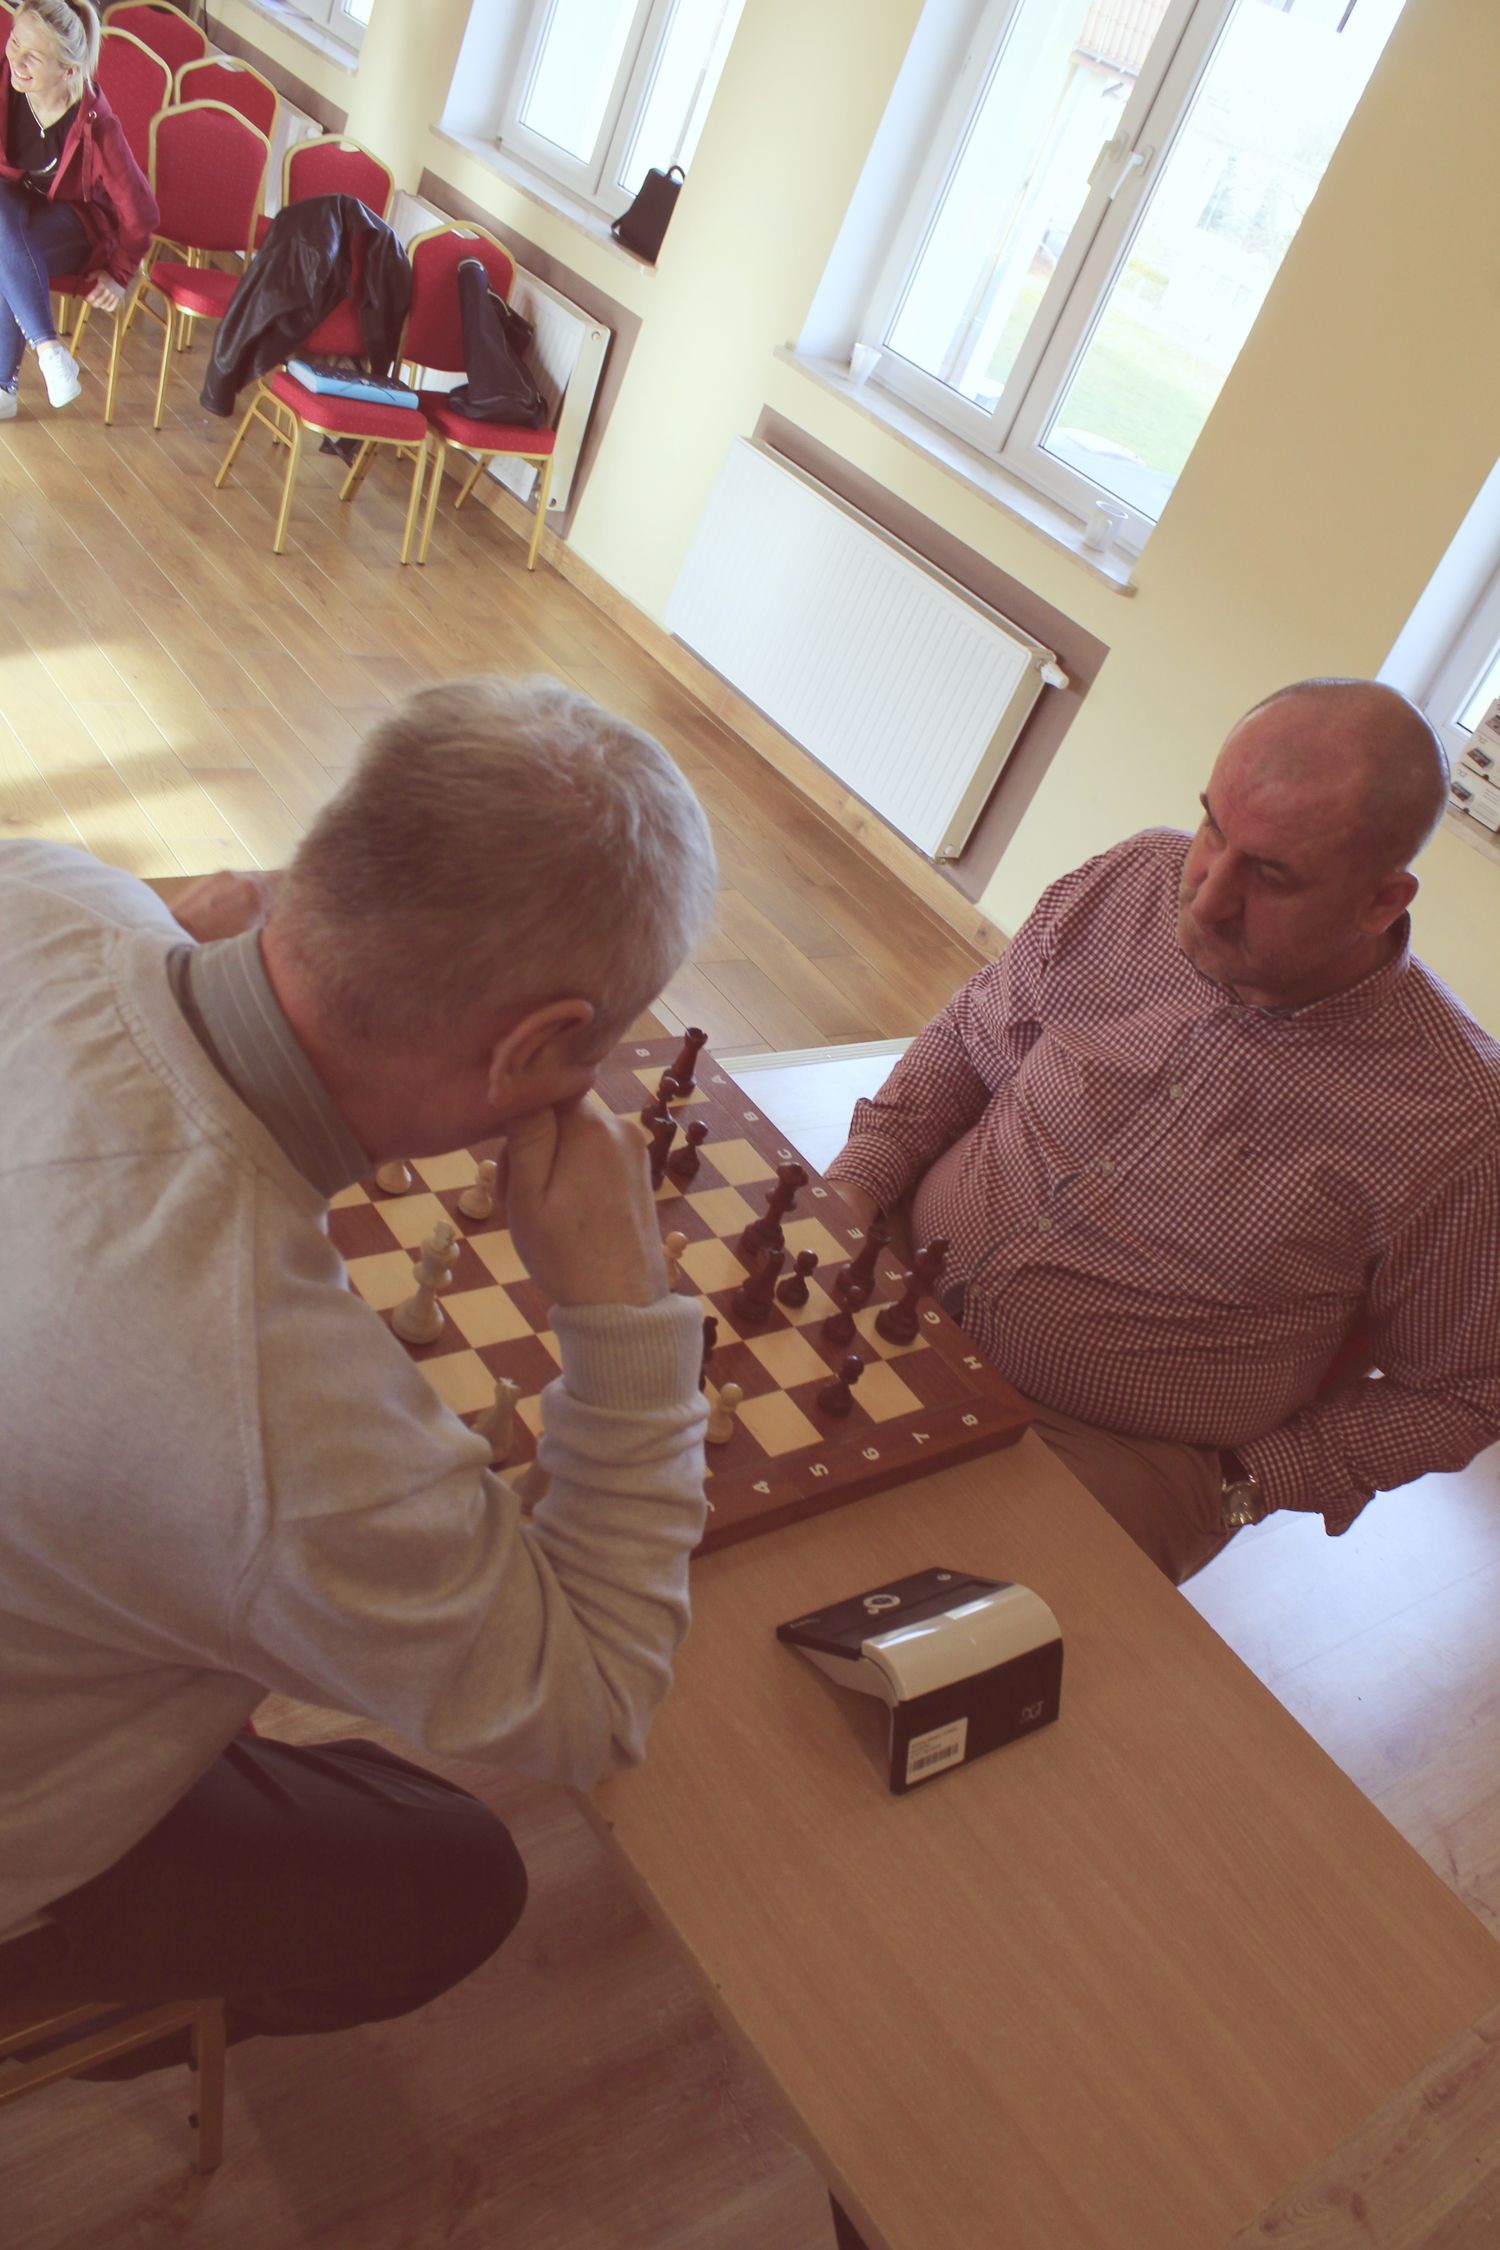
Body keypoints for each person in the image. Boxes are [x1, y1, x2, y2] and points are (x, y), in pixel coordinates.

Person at [0, 675, 718, 2072]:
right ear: (534, 1048)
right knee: (455, 1879)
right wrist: (622, 1312)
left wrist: (160, 927)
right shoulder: (273, 1429)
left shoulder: (42, 883)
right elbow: (593, 1695)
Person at [828, 678, 1500, 1583]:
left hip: (1104, 1450)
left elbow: (1461, 1392)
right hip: (884, 1266)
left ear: (1382, 901)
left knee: (870, 1628)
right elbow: (971, 1040)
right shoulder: (1133, 879)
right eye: (1214, 828)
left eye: (1273, 876)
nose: (1207, 898)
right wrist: (856, 1184)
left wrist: (1243, 1485)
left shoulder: (1459, 1121)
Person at [0, 0, 158, 416]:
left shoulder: (96, 125)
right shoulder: (4, 82)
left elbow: (141, 210)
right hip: (9, 204)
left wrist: (121, 272)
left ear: (68, 71)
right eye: (14, 43)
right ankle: (49, 351)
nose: (16, 59)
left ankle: (3, 386)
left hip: (73, 221)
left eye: (33, 56)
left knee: (6, 256)